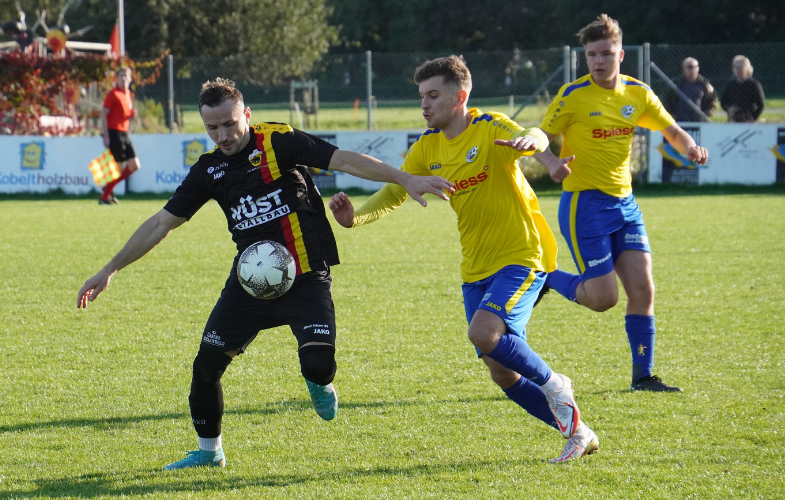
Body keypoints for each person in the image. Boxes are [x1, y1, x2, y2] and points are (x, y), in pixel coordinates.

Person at [77, 78, 453, 470]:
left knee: (319, 365)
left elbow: (343, 159)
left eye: (230, 124)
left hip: (306, 274)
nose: (222, 135)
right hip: (251, 282)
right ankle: (210, 453)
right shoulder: (209, 170)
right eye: (212, 128)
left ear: (247, 116)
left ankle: (318, 381)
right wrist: (110, 269)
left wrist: (404, 178)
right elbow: (161, 223)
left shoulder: (279, 141)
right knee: (205, 367)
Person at [328, 55, 598, 463]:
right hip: (475, 267)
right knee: (501, 371)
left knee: (483, 334)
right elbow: (397, 190)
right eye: (421, 96)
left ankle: (554, 382)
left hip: (522, 255)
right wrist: (355, 218)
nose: (424, 104)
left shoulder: (489, 128)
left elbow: (534, 134)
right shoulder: (427, 146)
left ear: (460, 97)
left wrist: (533, 143)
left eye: (433, 95)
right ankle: (578, 432)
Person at [534, 14, 708, 392]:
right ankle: (546, 278)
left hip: (626, 205)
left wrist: (691, 148)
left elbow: (671, 130)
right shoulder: (573, 96)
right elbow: (539, 138)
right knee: (602, 299)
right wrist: (551, 163)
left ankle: (642, 376)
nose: (598, 61)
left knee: (643, 290)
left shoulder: (638, 93)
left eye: (606, 53)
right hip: (585, 206)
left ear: (621, 54)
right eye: (592, 54)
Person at [99, 66, 140, 205]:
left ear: (130, 79)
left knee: (135, 165)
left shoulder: (127, 93)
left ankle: (108, 189)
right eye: (120, 76)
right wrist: (105, 135)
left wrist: (131, 115)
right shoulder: (113, 94)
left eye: (125, 76)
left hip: (124, 133)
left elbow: (124, 114)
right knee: (118, 169)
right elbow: (104, 114)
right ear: (116, 79)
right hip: (114, 132)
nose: (123, 79)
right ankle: (105, 196)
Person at [665, 57, 717, 122]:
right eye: (689, 67)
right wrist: (671, 116)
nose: (693, 70)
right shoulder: (676, 84)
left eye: (695, 67)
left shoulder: (704, 84)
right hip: (679, 122)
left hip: (699, 122)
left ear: (698, 69)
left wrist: (707, 113)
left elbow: (713, 99)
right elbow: (666, 101)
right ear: (683, 69)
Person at [721, 55, 765, 123]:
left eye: (741, 67)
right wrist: (728, 109)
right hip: (733, 120)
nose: (738, 69)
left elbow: (761, 105)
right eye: (736, 67)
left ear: (748, 68)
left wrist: (752, 118)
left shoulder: (754, 84)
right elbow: (723, 101)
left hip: (748, 120)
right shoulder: (731, 84)